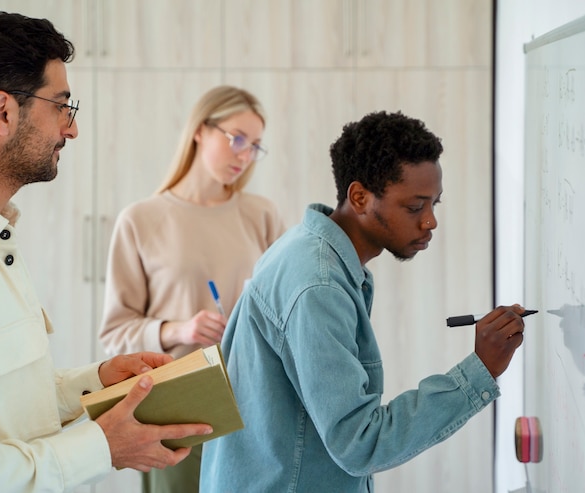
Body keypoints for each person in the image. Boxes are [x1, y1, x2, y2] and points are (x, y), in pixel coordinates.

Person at [0, 11, 213, 493]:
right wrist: (103, 447)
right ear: (3, 112)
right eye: (61, 106)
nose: (70, 129)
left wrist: (97, 382)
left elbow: (3, 404)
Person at [200, 110, 529, 492]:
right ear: (359, 197)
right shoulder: (318, 286)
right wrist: (479, 371)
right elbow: (360, 443)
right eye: (414, 207)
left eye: (434, 204)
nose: (430, 221)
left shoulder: (308, 250)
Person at [98, 85, 285, 493]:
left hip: (255, 402)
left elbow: (286, 311)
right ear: (201, 130)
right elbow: (115, 334)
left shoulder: (262, 215)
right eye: (237, 138)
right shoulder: (141, 220)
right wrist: (177, 330)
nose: (245, 155)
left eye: (255, 146)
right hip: (177, 411)